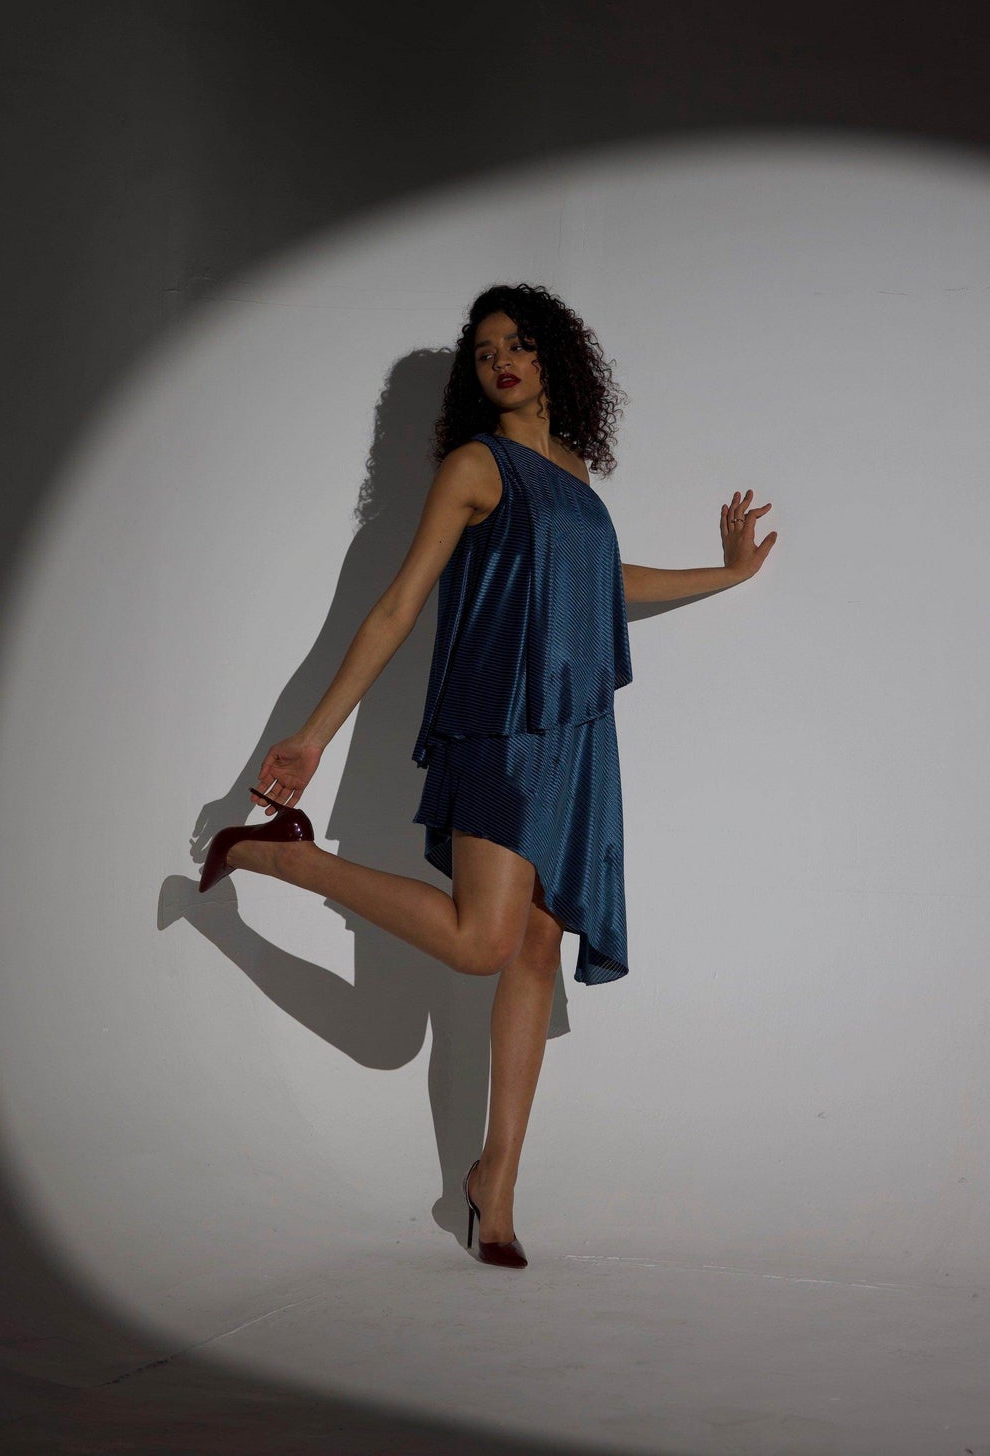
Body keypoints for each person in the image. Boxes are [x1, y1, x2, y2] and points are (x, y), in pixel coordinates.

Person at [196, 281, 776, 1266]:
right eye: (483, 350)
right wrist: (313, 735)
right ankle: (281, 856)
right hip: (499, 723)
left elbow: (601, 583)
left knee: (535, 952)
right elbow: (396, 605)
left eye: (517, 343)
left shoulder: (573, 471)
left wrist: (724, 574)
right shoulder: (474, 466)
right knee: (480, 943)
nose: (501, 360)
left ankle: (493, 1180)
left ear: (553, 357)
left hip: (574, 733)